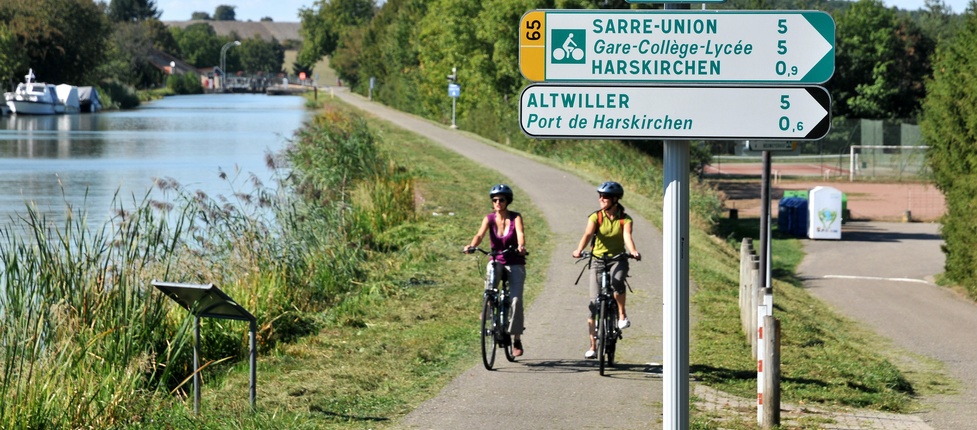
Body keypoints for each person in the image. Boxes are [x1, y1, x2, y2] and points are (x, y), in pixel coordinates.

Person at [571, 181, 641, 359]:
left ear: (615, 200)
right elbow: (587, 234)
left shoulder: (625, 219)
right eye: (600, 196)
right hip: (597, 260)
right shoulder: (596, 217)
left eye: (606, 197)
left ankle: (622, 314)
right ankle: (593, 346)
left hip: (617, 259)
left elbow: (627, 236)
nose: (602, 199)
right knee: (593, 304)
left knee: (617, 281)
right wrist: (579, 249)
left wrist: (632, 251)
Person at [464, 184, 528, 357]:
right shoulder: (489, 218)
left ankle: (516, 339)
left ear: (508, 201)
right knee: (491, 280)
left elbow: (520, 233)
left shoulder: (515, 218)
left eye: (501, 200)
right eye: (495, 200)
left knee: (515, 301)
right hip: (496, 259)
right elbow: (479, 235)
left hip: (514, 262)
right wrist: (472, 245)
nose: (498, 203)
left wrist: (521, 246)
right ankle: (488, 304)